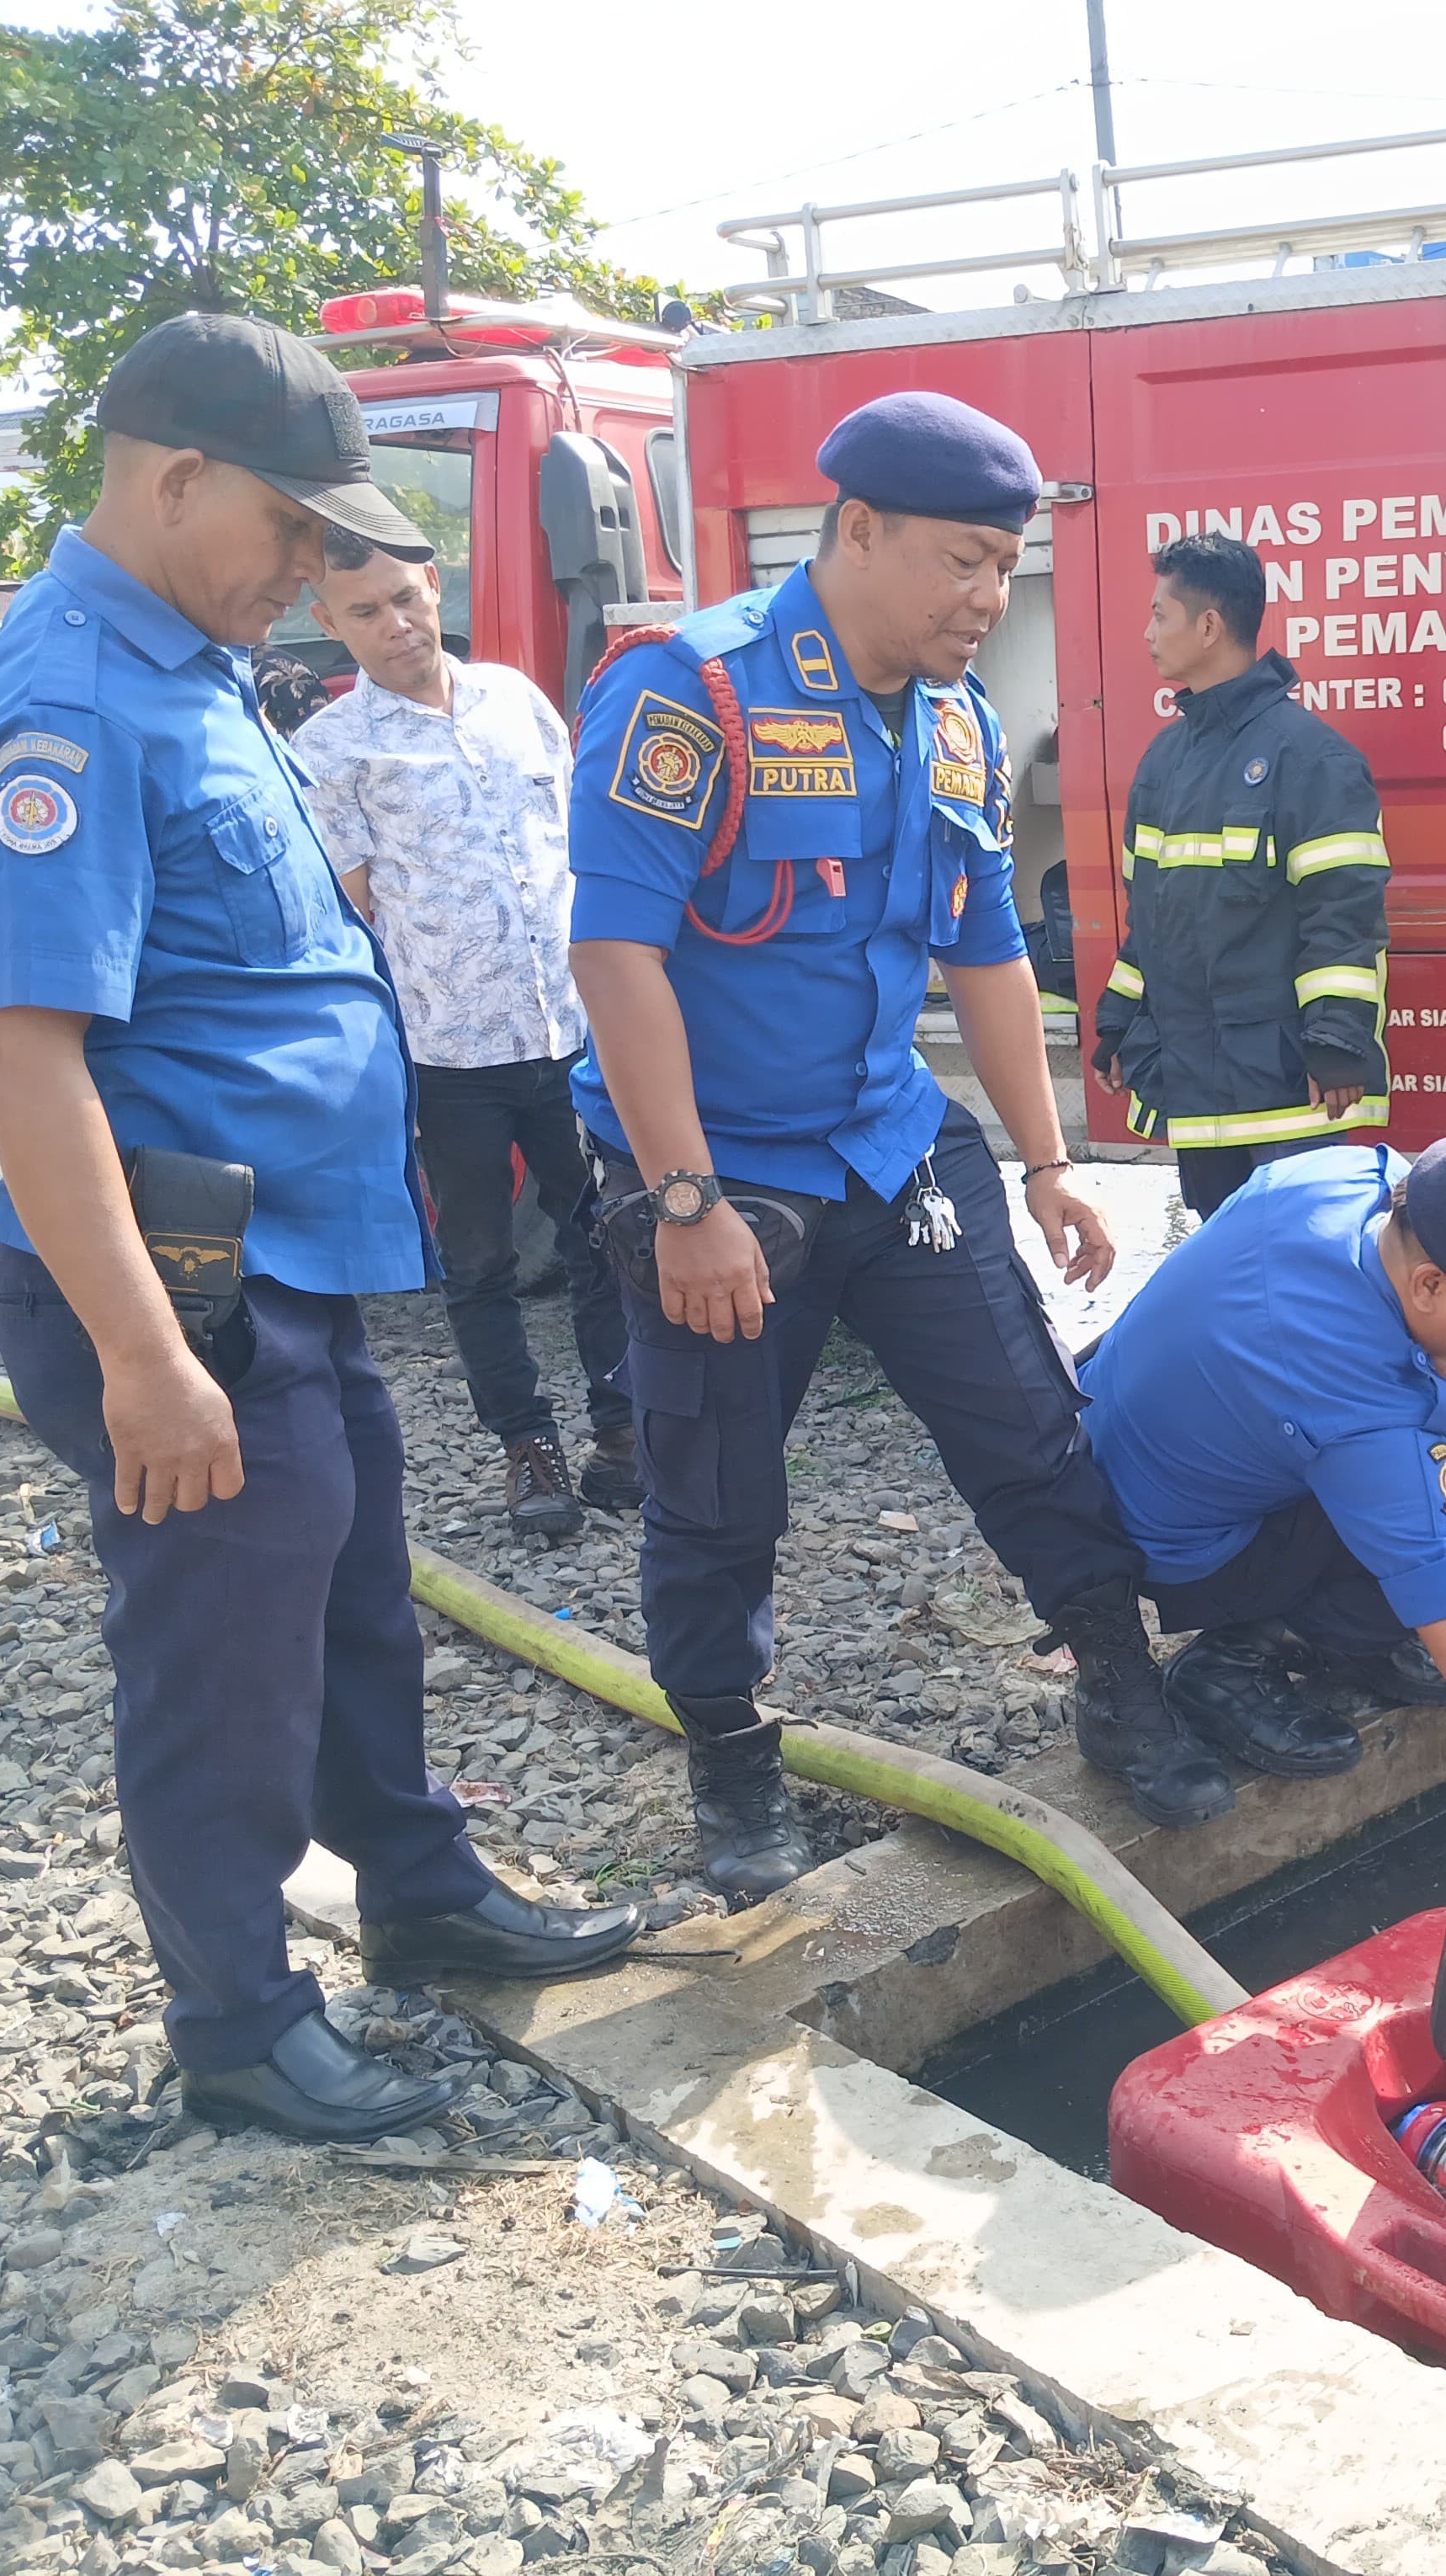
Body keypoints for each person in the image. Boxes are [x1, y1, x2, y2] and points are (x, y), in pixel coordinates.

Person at [0, 311, 637, 2147]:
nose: (318, 569)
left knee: (347, 1605)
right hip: (185, 1295)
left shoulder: (192, 666)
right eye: (294, 528)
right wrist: (147, 1359)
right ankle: (237, 2019)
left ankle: (419, 1896)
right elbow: (29, 1060)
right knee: (221, 1664)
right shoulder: (70, 702)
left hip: (293, 1267)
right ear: (177, 480)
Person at [566, 390, 1228, 1899]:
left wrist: (1049, 1161)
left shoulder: (954, 717)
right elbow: (617, 957)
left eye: (1005, 567)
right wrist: (682, 1201)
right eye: (961, 562)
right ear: (853, 532)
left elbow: (987, 951)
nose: (990, 599)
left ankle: (1119, 1680)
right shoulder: (691, 691)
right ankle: (736, 1763)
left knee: (1029, 1425)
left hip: (893, 1149)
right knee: (718, 1484)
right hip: (720, 1181)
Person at [1077, 1131, 1446, 1828]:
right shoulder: (1357, 1411)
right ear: (1429, 1285)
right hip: (1173, 1549)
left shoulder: (1337, 1178)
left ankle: (1338, 1645)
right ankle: (1234, 1662)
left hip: (1101, 1444)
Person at [297, 530, 634, 1541]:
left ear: (436, 585)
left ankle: (622, 1433)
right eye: (365, 612)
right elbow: (358, 913)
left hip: (571, 1033)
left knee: (612, 1239)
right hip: (449, 1059)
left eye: (406, 598)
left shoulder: (518, 704)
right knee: (481, 1263)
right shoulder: (329, 753)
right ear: (326, 622)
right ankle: (526, 1448)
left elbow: (582, 847)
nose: (396, 625)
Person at [1088, 530, 1393, 1216]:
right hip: (1195, 1091)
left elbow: (1343, 916)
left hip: (1286, 1092)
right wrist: (1117, 1023)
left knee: (1302, 1276)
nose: (1147, 634)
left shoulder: (1311, 758)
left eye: (1160, 615)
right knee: (1228, 1281)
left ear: (1208, 625)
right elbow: (1152, 920)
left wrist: (1338, 1042)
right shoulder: (1164, 761)